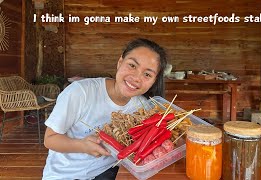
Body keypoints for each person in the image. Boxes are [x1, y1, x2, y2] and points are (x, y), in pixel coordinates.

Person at [42, 38, 167, 180]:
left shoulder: (143, 107)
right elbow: (50, 139)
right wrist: (82, 146)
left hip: (109, 170)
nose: (136, 78)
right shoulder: (81, 92)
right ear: (120, 62)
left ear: (154, 81)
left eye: (147, 74)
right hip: (67, 175)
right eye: (132, 65)